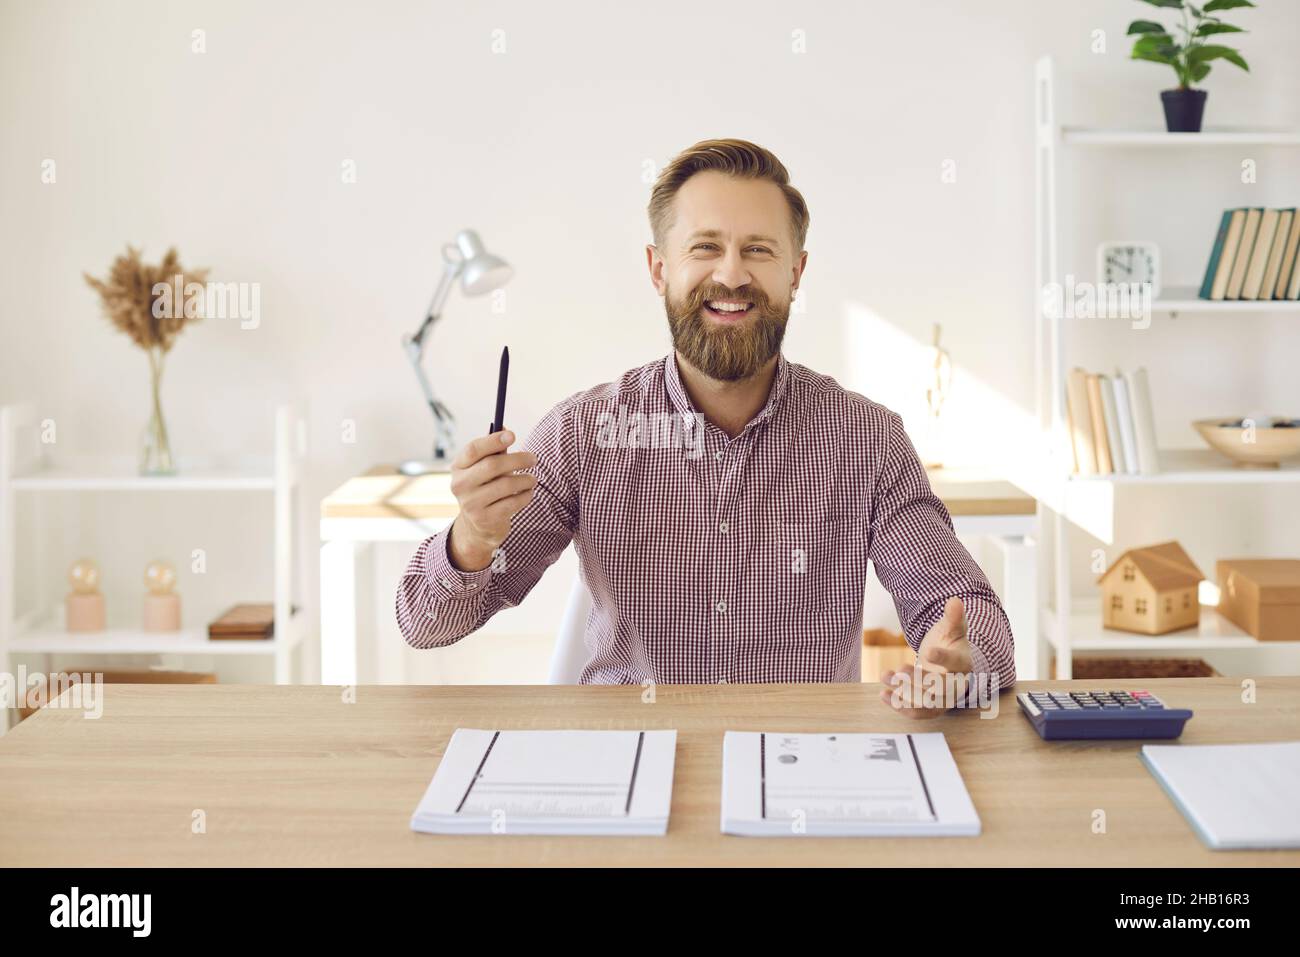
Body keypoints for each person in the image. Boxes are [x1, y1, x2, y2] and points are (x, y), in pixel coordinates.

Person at [396, 138, 1014, 716]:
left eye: (759, 250)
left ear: (796, 274)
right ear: (658, 269)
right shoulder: (583, 433)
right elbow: (426, 625)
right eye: (704, 247)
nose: (732, 275)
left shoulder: (866, 438)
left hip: (799, 770)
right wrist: (472, 539)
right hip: (627, 766)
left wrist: (960, 666)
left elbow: (972, 620)